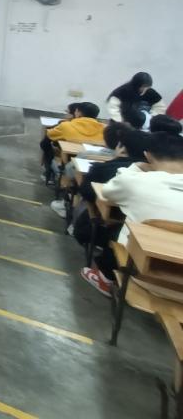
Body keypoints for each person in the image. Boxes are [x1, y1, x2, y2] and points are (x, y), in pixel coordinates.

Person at [80, 131, 183, 298]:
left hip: (140, 276)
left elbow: (107, 191)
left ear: (147, 156)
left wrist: (136, 167)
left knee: (119, 228)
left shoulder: (137, 182)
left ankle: (104, 278)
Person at [41, 101, 104, 181]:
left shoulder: (66, 126)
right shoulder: (104, 128)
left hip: (70, 159)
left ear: (78, 112)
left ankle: (51, 173)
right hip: (94, 161)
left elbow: (49, 135)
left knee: (45, 144)